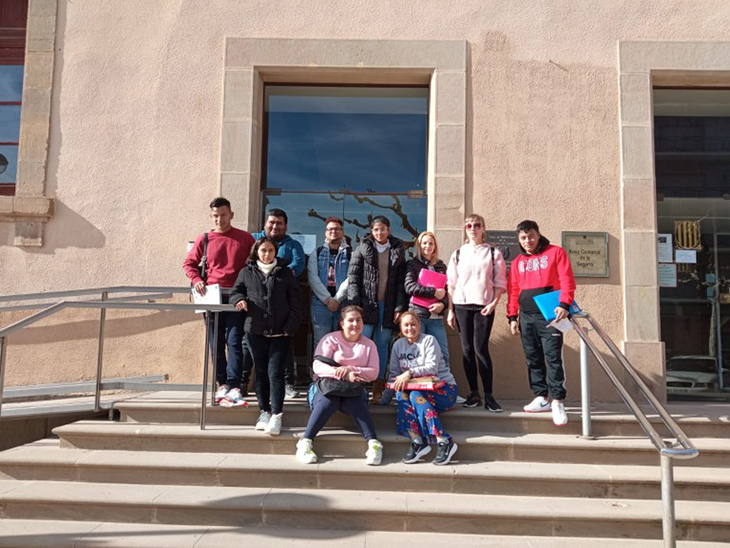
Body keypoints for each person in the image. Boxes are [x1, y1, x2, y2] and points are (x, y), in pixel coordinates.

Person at [183, 197, 254, 408]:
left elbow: (255, 263)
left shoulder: (245, 238)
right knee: (215, 343)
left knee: (234, 341)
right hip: (211, 295)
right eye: (215, 216)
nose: (219, 220)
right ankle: (221, 383)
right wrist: (196, 280)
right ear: (210, 216)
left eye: (223, 215)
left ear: (231, 214)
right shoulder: (204, 239)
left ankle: (234, 385)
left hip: (236, 295)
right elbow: (189, 263)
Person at [230, 237, 303, 435]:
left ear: (275, 252)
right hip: (256, 331)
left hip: (281, 332)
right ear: (256, 251)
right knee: (261, 374)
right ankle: (264, 411)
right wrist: (239, 300)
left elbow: (296, 302)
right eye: (263, 250)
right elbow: (236, 292)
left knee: (276, 374)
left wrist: (290, 327)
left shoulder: (285, 272)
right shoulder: (246, 272)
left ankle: (277, 415)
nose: (267, 254)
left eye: (271, 250)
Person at [507, 220, 576, 426]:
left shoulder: (556, 252)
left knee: (553, 357)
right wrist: (512, 316)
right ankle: (541, 396)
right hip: (526, 316)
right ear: (519, 240)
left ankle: (557, 400)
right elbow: (513, 290)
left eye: (531, 236)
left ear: (538, 235)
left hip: (550, 315)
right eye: (523, 238)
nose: (528, 241)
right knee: (532, 357)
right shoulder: (518, 262)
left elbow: (567, 280)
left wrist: (565, 304)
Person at [296, 306, 384, 465]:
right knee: (331, 400)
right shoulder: (330, 339)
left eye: (358, 320)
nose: (355, 324)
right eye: (350, 320)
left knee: (354, 400)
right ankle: (305, 441)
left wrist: (351, 370)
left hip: (353, 390)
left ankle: (373, 443)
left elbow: (373, 373)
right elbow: (318, 366)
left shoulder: (369, 345)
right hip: (326, 388)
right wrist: (343, 374)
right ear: (342, 323)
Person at [446, 214, 507, 412]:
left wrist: (493, 304)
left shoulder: (492, 253)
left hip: (483, 306)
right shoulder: (458, 254)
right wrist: (450, 310)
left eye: (477, 225)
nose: (473, 228)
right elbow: (451, 285)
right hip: (462, 306)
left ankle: (489, 395)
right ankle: (474, 393)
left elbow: (500, 283)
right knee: (467, 350)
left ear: (483, 228)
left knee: (480, 349)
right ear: (465, 229)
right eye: (469, 225)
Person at [346, 215, 407, 404]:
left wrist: (399, 307)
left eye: (383, 229)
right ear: (371, 232)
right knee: (361, 343)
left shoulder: (398, 250)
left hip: (387, 306)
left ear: (389, 230)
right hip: (365, 305)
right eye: (376, 229)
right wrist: (355, 305)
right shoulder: (362, 249)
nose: (379, 232)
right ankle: (358, 386)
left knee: (382, 345)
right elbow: (353, 278)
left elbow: (399, 283)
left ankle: (378, 387)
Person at [388, 311, 458, 465]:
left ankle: (444, 440)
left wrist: (409, 373)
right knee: (402, 394)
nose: (410, 328)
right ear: (400, 327)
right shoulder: (398, 345)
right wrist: (387, 396)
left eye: (413, 324)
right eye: (406, 325)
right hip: (418, 392)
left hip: (444, 390)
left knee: (414, 396)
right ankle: (418, 440)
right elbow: (394, 374)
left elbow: (432, 369)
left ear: (419, 325)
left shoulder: (429, 340)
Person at [252, 208, 306, 399]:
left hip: (283, 305)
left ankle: (288, 384)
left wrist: (274, 273)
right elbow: (247, 264)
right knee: (251, 346)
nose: (275, 226)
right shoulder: (253, 239)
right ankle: (244, 384)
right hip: (257, 306)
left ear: (286, 226)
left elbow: (297, 266)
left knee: (285, 345)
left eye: (279, 223)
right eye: (272, 222)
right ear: (265, 224)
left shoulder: (293, 246)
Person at [404, 231, 450, 367]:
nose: (427, 246)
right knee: (418, 354)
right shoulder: (412, 264)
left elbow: (448, 292)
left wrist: (443, 304)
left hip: (436, 318)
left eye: (431, 243)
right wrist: (434, 292)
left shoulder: (441, 266)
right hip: (419, 316)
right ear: (419, 245)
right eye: (424, 243)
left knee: (443, 355)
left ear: (435, 246)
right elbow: (409, 287)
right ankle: (419, 387)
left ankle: (445, 386)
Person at [307, 216, 351, 349]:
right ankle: (320, 370)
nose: (334, 232)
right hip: (320, 304)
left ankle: (339, 369)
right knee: (321, 342)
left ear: (342, 231)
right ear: (326, 232)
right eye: (330, 229)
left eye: (337, 229)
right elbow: (313, 277)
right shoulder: (317, 252)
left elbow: (351, 278)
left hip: (343, 303)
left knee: (343, 342)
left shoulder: (350, 253)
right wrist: (327, 299)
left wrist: (337, 299)